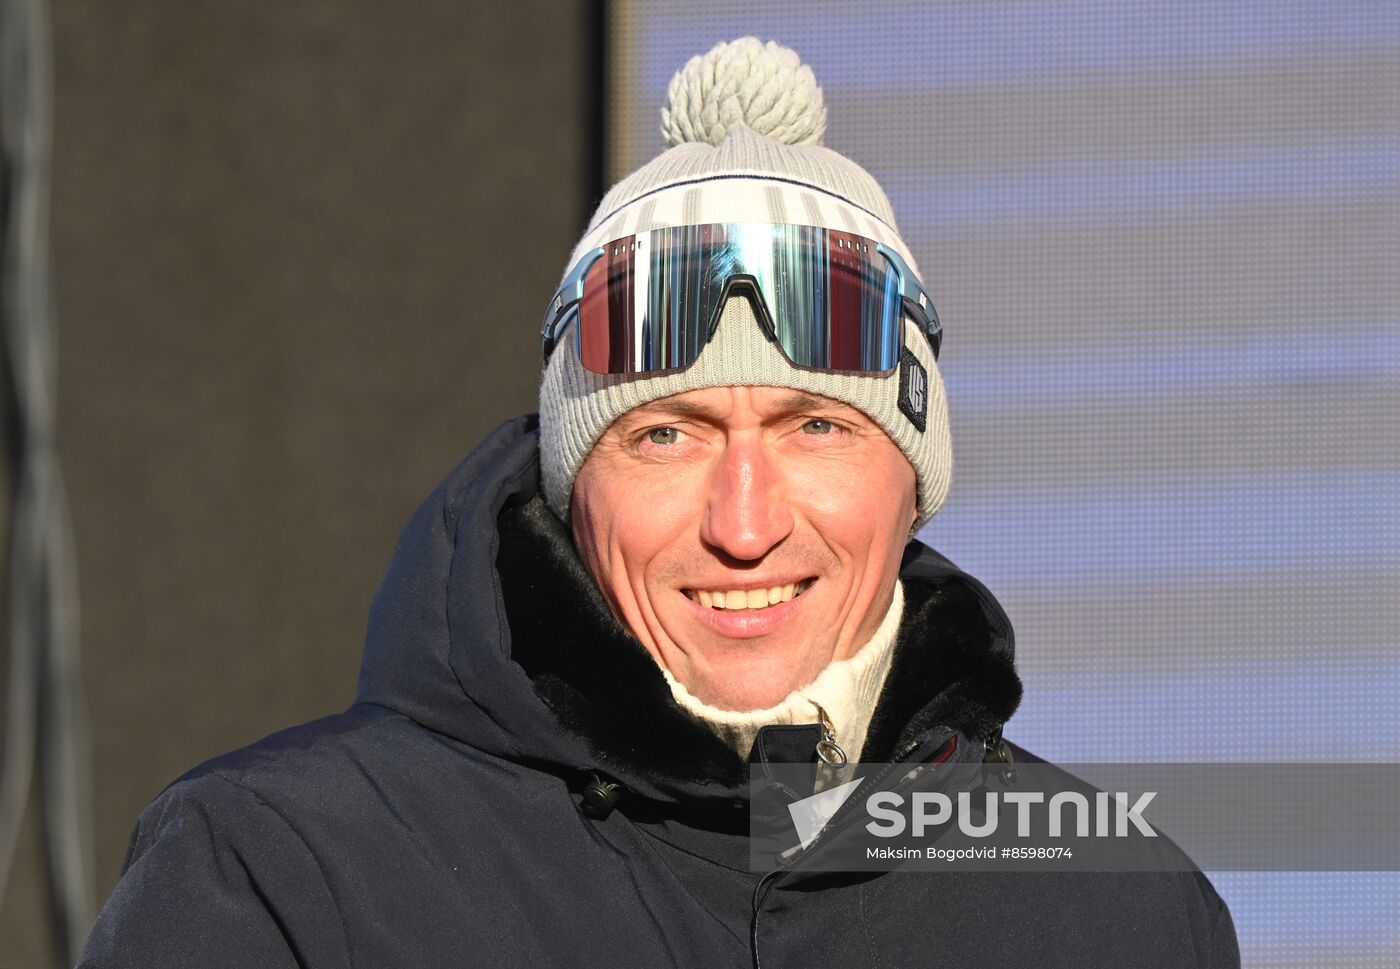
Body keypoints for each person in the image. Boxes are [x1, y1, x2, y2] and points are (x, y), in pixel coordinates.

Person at [78, 38, 1237, 968]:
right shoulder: (275, 873)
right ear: (571, 483)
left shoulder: (1121, 909)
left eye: (816, 426)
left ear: (913, 480)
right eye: (665, 436)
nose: (742, 524)